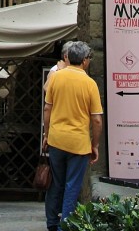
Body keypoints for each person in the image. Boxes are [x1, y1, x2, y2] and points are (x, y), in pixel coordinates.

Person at [42, 41, 103, 230]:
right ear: (84, 61)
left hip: (57, 140)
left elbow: (47, 109)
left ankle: (52, 222)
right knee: (72, 186)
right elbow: (97, 120)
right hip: (78, 143)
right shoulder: (89, 84)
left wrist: (47, 134)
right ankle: (66, 225)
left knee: (56, 183)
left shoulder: (56, 79)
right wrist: (95, 144)